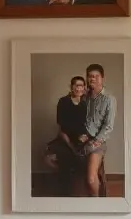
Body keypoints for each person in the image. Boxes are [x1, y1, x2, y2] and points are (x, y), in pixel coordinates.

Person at [45, 75, 89, 182]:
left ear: (84, 88)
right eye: (76, 85)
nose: (79, 88)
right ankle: (65, 189)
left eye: (81, 86)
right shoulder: (63, 101)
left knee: (82, 159)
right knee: (59, 156)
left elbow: (91, 124)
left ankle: (78, 187)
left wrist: (86, 136)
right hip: (66, 138)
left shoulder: (88, 103)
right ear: (71, 86)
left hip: (83, 138)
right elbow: (62, 127)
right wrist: (71, 146)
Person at [83, 63, 115, 197]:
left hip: (97, 143)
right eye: (90, 76)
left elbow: (108, 126)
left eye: (96, 76)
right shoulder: (84, 97)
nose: (93, 79)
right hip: (80, 139)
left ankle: (96, 203)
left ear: (102, 78)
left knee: (91, 179)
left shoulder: (109, 99)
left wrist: (94, 142)